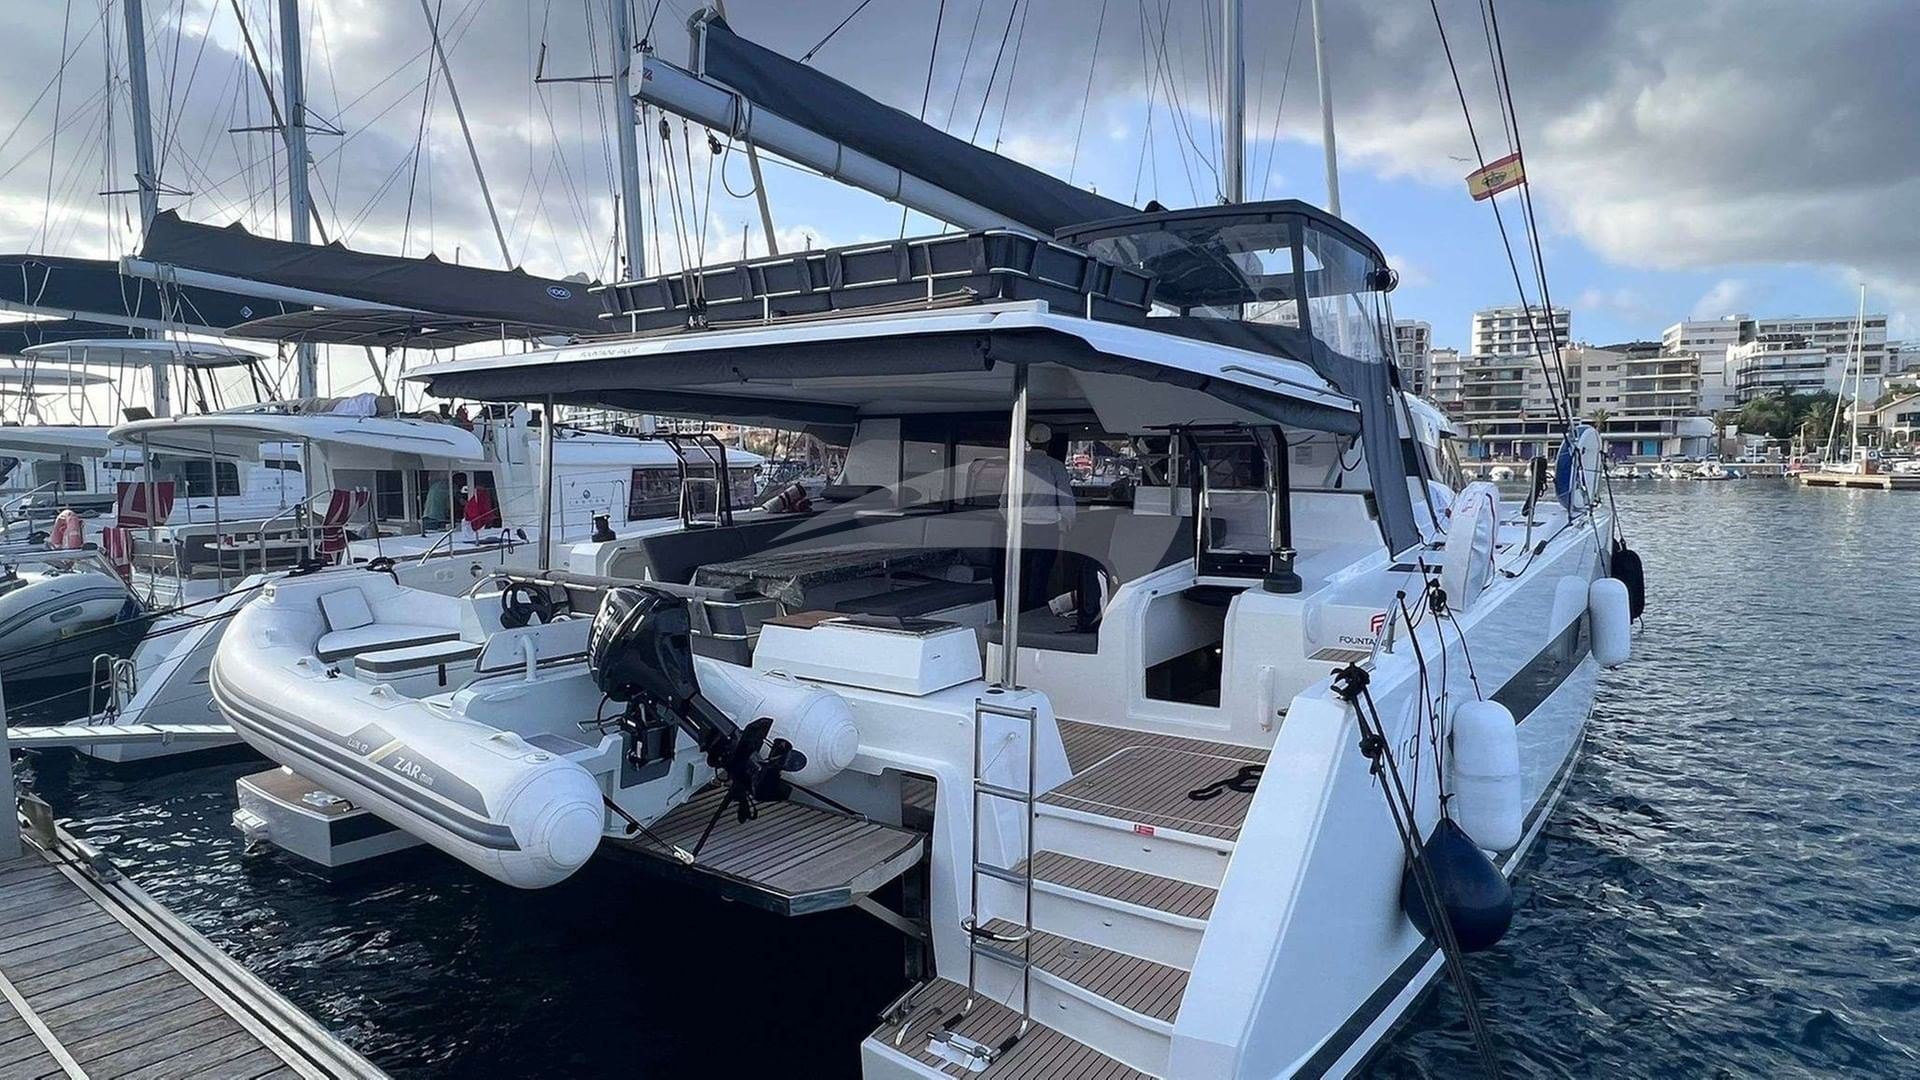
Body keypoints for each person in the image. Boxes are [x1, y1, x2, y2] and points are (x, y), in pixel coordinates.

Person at [1009, 422, 1077, 613]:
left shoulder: (1017, 466)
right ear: (1049, 442)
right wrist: (1067, 524)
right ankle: (1035, 612)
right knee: (1041, 573)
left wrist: (1012, 525)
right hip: (1048, 527)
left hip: (1022, 528)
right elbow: (1066, 500)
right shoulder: (1055, 466)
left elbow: (1005, 501)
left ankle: (1017, 610)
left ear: (1030, 441)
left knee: (1021, 573)